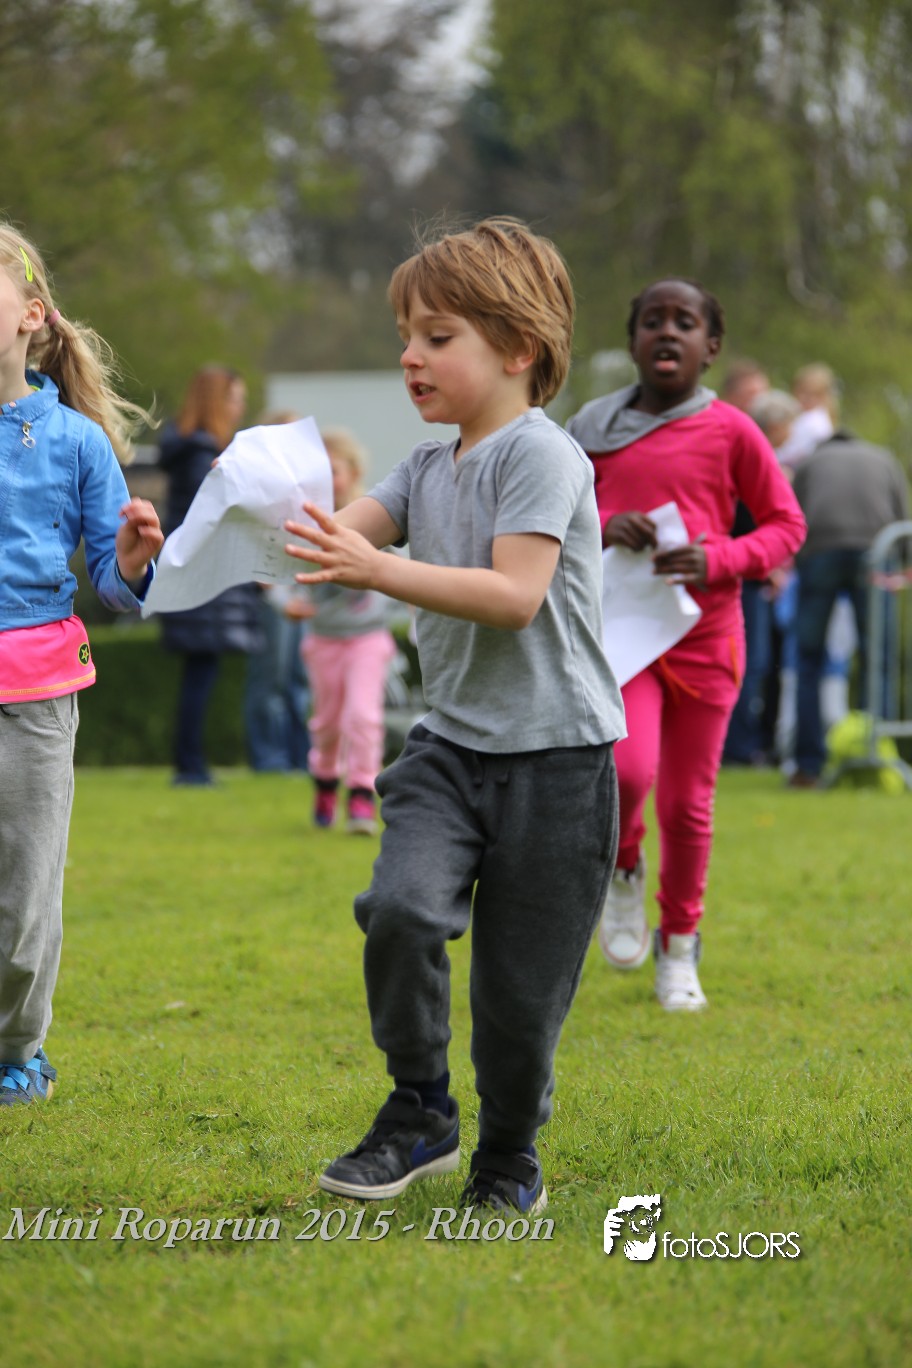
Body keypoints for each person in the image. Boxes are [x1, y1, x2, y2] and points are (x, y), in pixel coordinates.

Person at [284, 217, 624, 1213]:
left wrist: (378, 570)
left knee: (518, 999)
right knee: (399, 910)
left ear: (517, 348)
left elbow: (515, 596)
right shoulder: (422, 470)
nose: (410, 356)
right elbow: (320, 540)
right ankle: (420, 1110)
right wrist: (177, 538)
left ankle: (508, 1155)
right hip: (447, 751)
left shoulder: (544, 456)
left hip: (560, 766)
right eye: (407, 337)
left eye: (437, 337)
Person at [566, 278, 805, 1010]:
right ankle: (624, 867)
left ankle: (679, 946)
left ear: (711, 347)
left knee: (687, 805)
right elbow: (554, 517)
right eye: (652, 320)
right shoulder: (586, 430)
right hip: (623, 633)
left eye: (685, 322)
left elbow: (787, 526)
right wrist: (604, 524)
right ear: (633, 340)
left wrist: (718, 557)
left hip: (707, 636)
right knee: (626, 773)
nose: (667, 331)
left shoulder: (733, 430)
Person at [0, 223, 163, 1105]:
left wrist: (132, 559)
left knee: (20, 903)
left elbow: (113, 580)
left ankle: (16, 1053)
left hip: (32, 695)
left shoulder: (77, 443)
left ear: (32, 315)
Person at [157, 365, 263, 785]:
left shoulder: (189, 451)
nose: (240, 407)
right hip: (204, 579)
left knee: (198, 672)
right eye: (234, 398)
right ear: (217, 402)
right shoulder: (204, 457)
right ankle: (190, 765)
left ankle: (191, 762)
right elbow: (218, 517)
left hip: (194, 574)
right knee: (200, 674)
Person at [789, 427, 909, 787]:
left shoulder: (810, 463)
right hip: (876, 553)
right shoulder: (883, 459)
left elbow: (791, 514)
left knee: (809, 660)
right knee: (878, 658)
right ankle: (878, 754)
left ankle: (807, 767)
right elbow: (902, 512)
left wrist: (793, 560)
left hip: (819, 553)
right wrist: (905, 562)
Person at [301, 428, 396, 836]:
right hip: (323, 639)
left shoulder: (374, 519)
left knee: (363, 716)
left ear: (354, 472)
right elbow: (283, 574)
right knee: (327, 723)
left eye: (333, 470)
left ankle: (361, 795)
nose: (326, 479)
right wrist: (288, 602)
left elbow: (398, 570)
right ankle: (325, 781)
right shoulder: (305, 519)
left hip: (368, 638)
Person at [243, 410, 311, 774]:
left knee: (299, 680)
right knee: (271, 680)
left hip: (301, 595)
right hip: (274, 599)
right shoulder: (260, 488)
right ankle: (270, 759)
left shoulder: (302, 486)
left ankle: (302, 758)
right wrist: (277, 596)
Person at [720, 362, 774, 766]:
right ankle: (734, 747)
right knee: (737, 661)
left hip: (752, 573)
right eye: (754, 395)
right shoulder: (724, 441)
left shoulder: (755, 444)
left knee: (755, 663)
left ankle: (741, 745)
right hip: (725, 571)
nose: (762, 403)